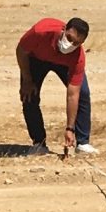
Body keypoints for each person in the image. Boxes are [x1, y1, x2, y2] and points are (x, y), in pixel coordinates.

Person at [16, 15, 94, 157]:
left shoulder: (77, 57)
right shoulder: (41, 31)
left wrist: (69, 129)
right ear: (64, 29)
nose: (70, 45)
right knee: (29, 96)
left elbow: (73, 94)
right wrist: (27, 79)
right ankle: (39, 143)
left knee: (82, 93)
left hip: (64, 64)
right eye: (69, 38)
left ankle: (82, 143)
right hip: (36, 58)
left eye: (76, 43)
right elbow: (21, 50)